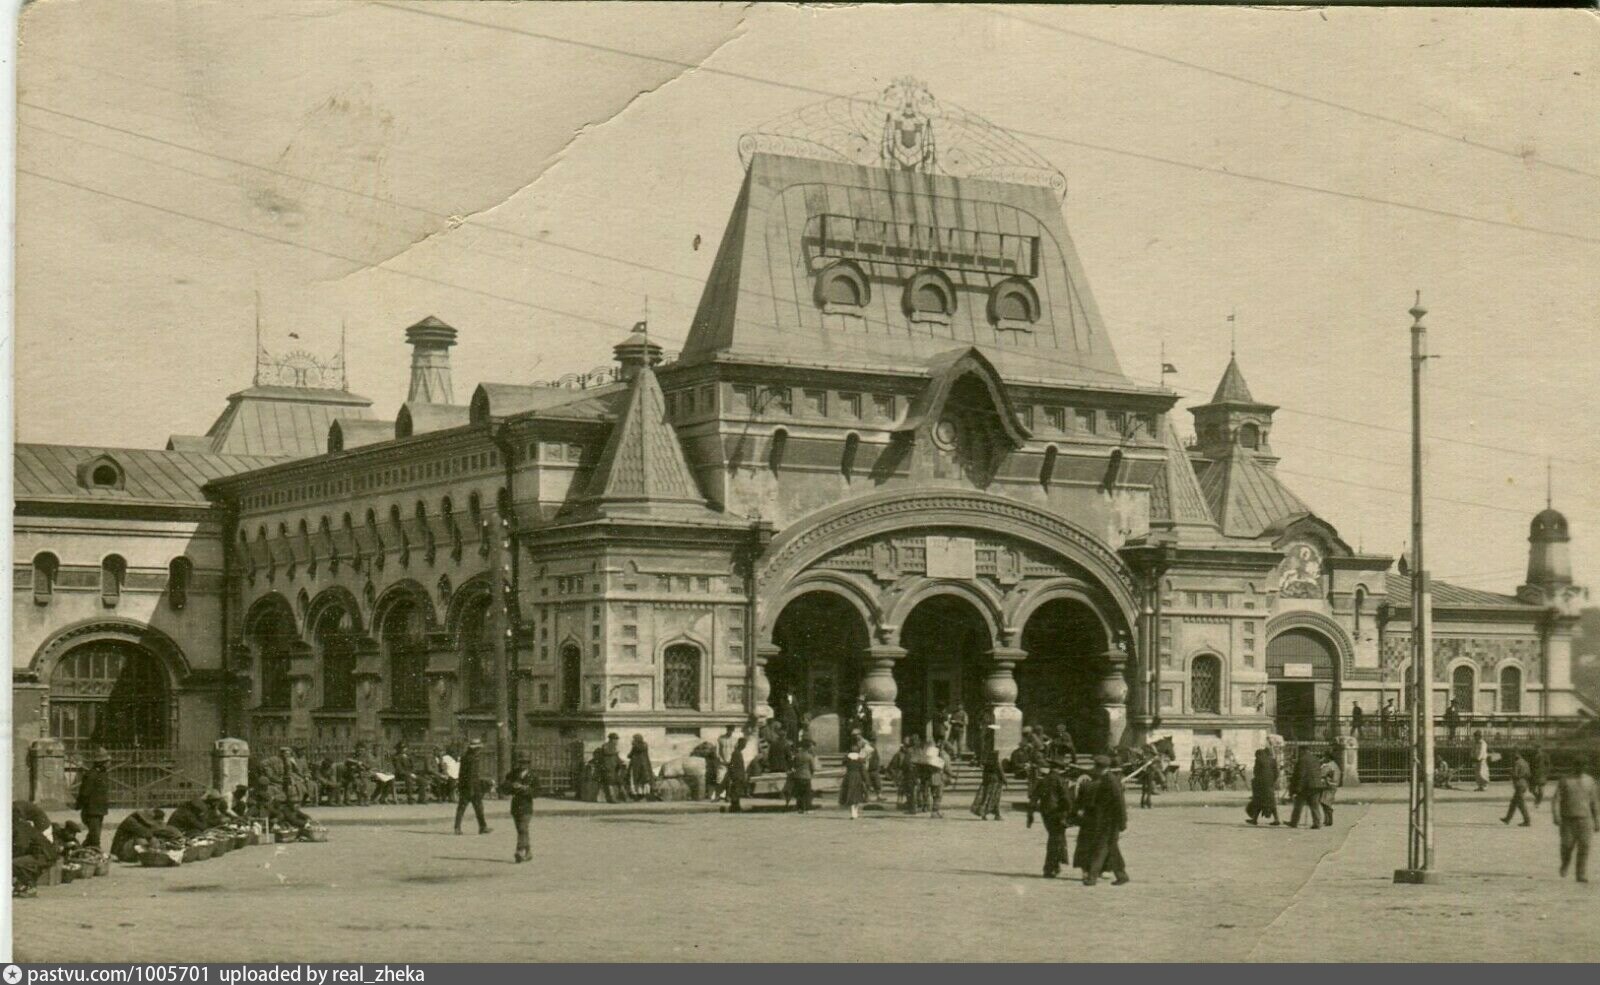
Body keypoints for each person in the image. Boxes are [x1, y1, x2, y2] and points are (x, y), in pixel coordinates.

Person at [1080, 756, 1130, 885]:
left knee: (1100, 848)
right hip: (1105, 820)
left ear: (1099, 768)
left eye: (1095, 767)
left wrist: (1122, 822)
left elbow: (1120, 803)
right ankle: (1122, 875)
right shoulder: (1105, 779)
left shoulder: (1110, 781)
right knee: (1112, 848)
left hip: (1110, 821)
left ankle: (1092, 877)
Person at [1551, 756, 1599, 882]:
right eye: (1578, 765)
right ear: (1574, 766)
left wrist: (1597, 819)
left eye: (1583, 766)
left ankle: (1581, 874)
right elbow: (1556, 799)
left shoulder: (1590, 781)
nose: (1580, 768)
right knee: (1566, 846)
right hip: (1568, 820)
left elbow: (1594, 802)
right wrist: (1556, 815)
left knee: (1584, 847)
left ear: (1586, 767)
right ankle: (1565, 863)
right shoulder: (1565, 780)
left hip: (1585, 819)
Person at [1029, 756, 1077, 879]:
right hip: (1058, 813)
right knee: (1056, 840)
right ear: (1060, 769)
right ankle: (1050, 868)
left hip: (1046, 814)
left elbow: (1034, 798)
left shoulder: (1043, 780)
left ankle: (1055, 866)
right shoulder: (1060, 780)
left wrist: (1030, 816)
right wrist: (1071, 812)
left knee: (1055, 838)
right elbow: (1066, 799)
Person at [12, 802, 59, 898]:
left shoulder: (21, 827)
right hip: (43, 854)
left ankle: (30, 887)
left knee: (13, 863)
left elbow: (21, 846)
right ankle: (23, 885)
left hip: (44, 856)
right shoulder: (22, 825)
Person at [499, 752, 537, 864]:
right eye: (521, 762)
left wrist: (525, 789)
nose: (522, 765)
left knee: (522, 828)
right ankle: (528, 851)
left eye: (525, 762)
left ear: (529, 764)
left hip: (527, 805)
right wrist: (512, 786)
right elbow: (504, 788)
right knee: (521, 830)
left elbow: (537, 792)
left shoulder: (533, 776)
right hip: (515, 805)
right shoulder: (513, 774)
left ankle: (519, 851)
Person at [75, 748, 110, 851]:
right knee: (95, 837)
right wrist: (81, 805)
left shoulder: (102, 774)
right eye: (107, 761)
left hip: (99, 809)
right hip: (91, 810)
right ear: (102, 763)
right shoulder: (91, 775)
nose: (109, 763)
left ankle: (81, 851)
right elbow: (84, 792)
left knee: (94, 834)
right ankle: (95, 853)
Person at [455, 738, 491, 835]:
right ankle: (482, 827)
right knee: (477, 807)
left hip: (465, 786)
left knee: (462, 807)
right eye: (478, 748)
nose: (480, 750)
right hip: (472, 787)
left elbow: (461, 774)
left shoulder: (465, 757)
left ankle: (457, 827)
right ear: (475, 749)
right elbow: (470, 775)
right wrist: (471, 789)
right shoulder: (473, 759)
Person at [970, 727, 1006, 821]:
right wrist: (1004, 777)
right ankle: (989, 813)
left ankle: (991, 813)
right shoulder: (994, 746)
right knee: (994, 795)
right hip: (994, 775)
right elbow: (997, 763)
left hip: (986, 773)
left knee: (986, 793)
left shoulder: (984, 744)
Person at [1286, 746, 1324, 829]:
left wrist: (1297, 788)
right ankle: (1317, 823)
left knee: (1298, 805)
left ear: (1302, 750)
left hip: (1306, 786)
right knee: (1315, 805)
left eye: (1299, 751)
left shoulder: (1302, 760)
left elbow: (1301, 775)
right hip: (1317, 785)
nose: (1299, 753)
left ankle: (1294, 822)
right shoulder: (1315, 759)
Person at [920, 740, 952, 818]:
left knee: (931, 793)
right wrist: (952, 774)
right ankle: (935, 811)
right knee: (938, 795)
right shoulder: (945, 755)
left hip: (929, 776)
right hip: (939, 777)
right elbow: (947, 768)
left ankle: (929, 808)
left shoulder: (933, 753)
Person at [1502, 752, 1533, 826]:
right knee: (1513, 803)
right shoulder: (1526, 763)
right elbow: (1529, 774)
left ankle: (1527, 820)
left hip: (1519, 785)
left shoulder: (1517, 763)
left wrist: (1510, 772)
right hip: (1524, 784)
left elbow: (1515, 774)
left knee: (1521, 804)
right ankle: (1507, 818)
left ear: (1515, 756)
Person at [840, 746, 870, 820]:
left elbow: (843, 767)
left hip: (848, 777)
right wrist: (867, 781)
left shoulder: (847, 759)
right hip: (857, 777)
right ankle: (855, 812)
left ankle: (853, 812)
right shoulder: (860, 760)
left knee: (849, 794)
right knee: (856, 794)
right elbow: (863, 772)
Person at [788, 739, 817, 814]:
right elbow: (813, 767)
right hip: (806, 776)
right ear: (808, 747)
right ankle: (807, 808)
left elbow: (793, 765)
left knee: (799, 793)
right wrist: (811, 774)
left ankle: (800, 808)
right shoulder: (809, 756)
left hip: (797, 776)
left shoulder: (797, 755)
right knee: (807, 793)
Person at [889, 737, 916, 811]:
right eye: (905, 745)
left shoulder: (910, 753)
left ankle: (908, 804)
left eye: (908, 746)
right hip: (902, 774)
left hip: (909, 774)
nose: (906, 748)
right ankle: (900, 804)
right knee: (901, 790)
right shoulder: (899, 754)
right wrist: (895, 775)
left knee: (908, 791)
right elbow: (892, 766)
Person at [626, 734, 654, 801]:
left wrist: (633, 745)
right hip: (645, 765)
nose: (633, 740)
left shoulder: (635, 746)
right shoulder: (645, 745)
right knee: (644, 779)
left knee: (635, 779)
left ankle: (637, 794)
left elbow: (629, 755)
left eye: (634, 739)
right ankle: (646, 793)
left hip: (636, 765)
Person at [724, 736, 748, 813]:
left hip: (739, 775)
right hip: (737, 775)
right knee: (736, 792)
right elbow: (732, 765)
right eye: (744, 744)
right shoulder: (736, 753)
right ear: (740, 744)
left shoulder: (738, 753)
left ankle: (736, 806)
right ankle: (734, 807)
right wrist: (734, 775)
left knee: (737, 792)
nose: (745, 746)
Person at [1318, 751, 1342, 827]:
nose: (1323, 758)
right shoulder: (1335, 765)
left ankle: (1329, 820)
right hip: (1334, 785)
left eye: (1324, 757)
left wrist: (1320, 766)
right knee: (1326, 802)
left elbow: (1322, 774)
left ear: (1328, 757)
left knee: (1325, 802)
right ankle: (1327, 819)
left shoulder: (1329, 765)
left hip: (1328, 785)